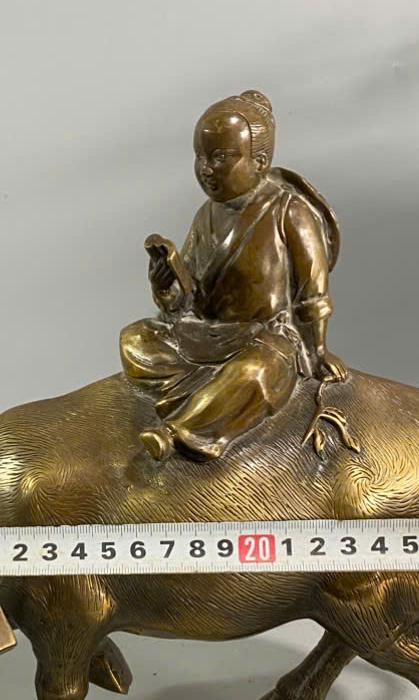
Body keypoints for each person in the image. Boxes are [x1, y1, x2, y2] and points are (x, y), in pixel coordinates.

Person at [120, 89, 346, 460]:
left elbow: (312, 293)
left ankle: (180, 433)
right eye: (200, 156)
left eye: (221, 157)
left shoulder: (289, 211)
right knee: (135, 340)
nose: (206, 168)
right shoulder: (205, 215)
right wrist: (167, 286)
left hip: (265, 337)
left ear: (259, 162)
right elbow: (189, 297)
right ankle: (211, 394)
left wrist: (317, 350)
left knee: (256, 372)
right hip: (209, 334)